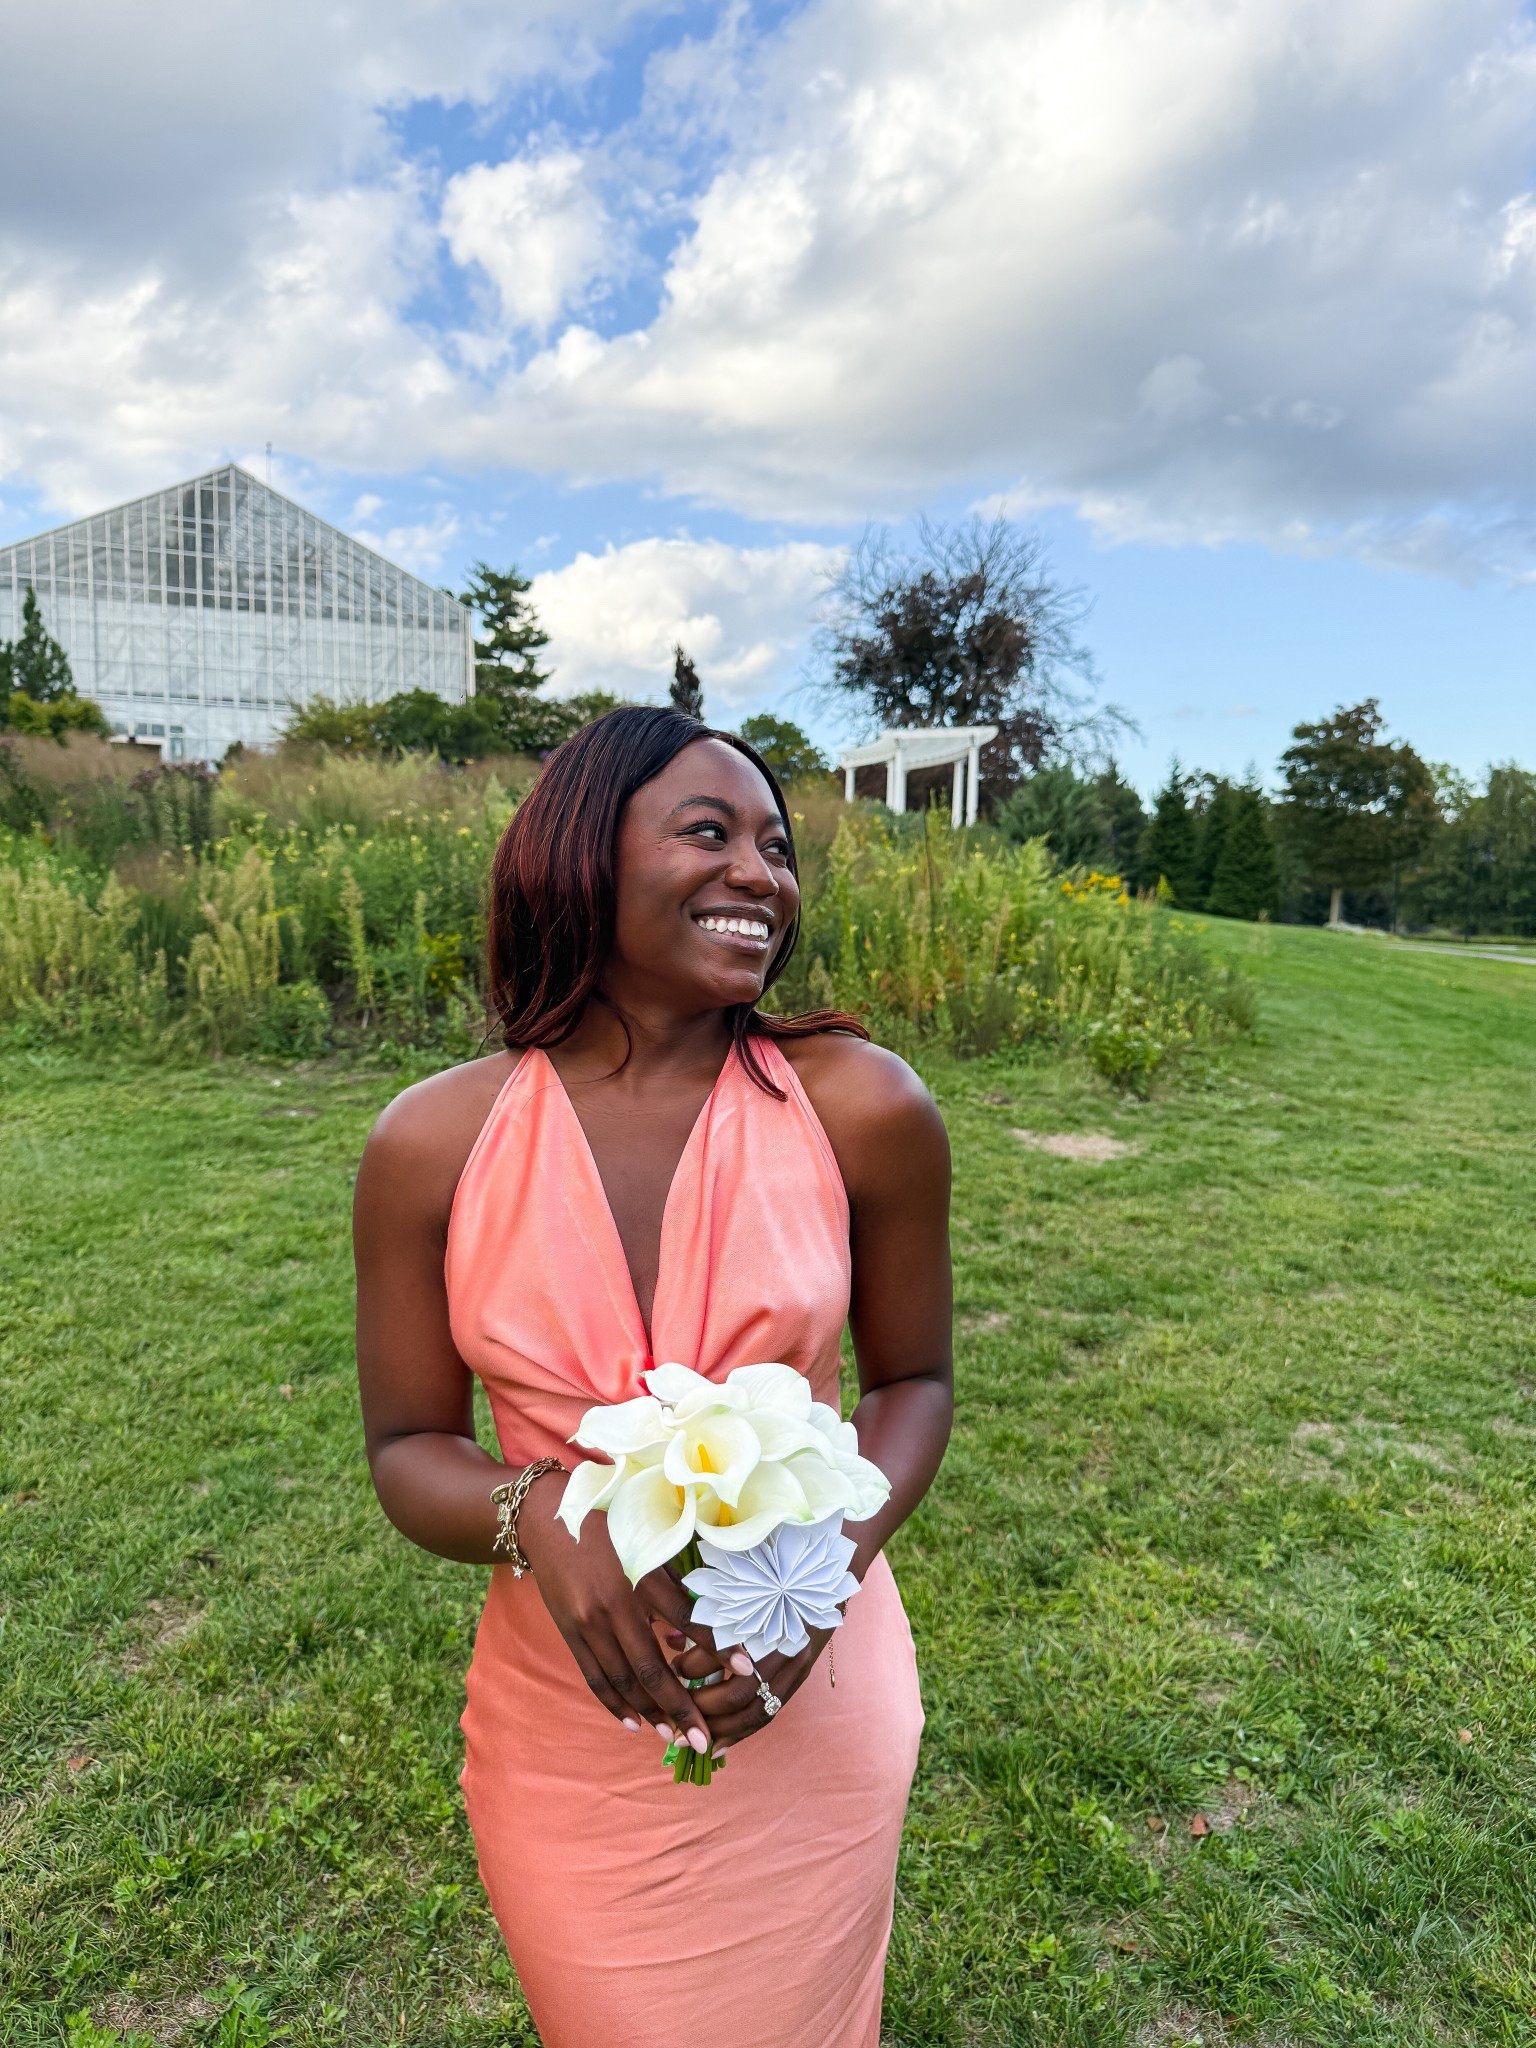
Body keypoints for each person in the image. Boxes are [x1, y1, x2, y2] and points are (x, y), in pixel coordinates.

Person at [354, 706, 952, 2046]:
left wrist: (824, 1573)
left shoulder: (865, 1107)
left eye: (778, 847)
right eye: (709, 832)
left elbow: (913, 1383)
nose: (762, 873)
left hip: (812, 1693)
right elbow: (406, 1448)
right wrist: (537, 1515)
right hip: (568, 1720)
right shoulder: (432, 1143)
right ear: (583, 855)